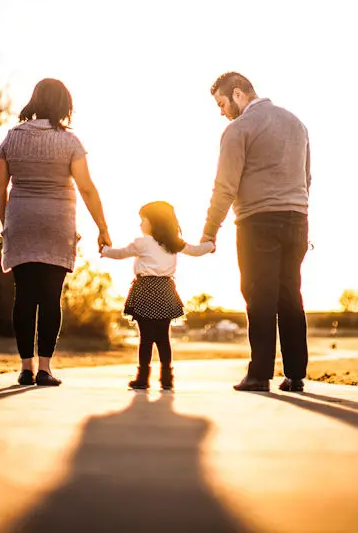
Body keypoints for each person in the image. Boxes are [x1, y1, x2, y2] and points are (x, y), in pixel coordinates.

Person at [0, 78, 111, 387]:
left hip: (21, 221)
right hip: (57, 224)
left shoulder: (11, 138)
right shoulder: (70, 142)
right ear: (64, 105)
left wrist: (7, 222)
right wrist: (102, 227)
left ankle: (25, 367)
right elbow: (86, 187)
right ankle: (45, 368)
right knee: (50, 297)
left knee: (24, 297)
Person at [201, 72, 311, 393]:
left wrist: (209, 232)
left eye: (222, 104)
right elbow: (307, 177)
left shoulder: (239, 129)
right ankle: (295, 374)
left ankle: (259, 374)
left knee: (259, 296)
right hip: (297, 219)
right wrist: (299, 211)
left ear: (237, 94)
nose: (222, 112)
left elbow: (225, 186)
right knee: (290, 294)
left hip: (257, 221)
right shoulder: (296, 123)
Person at [101, 201, 214, 390]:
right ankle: (167, 378)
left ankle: (143, 378)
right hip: (165, 291)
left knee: (145, 338)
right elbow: (196, 251)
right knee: (163, 337)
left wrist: (104, 250)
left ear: (153, 221)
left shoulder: (142, 242)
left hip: (145, 290)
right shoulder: (173, 243)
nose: (140, 224)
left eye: (142, 220)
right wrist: (210, 245)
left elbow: (120, 254)